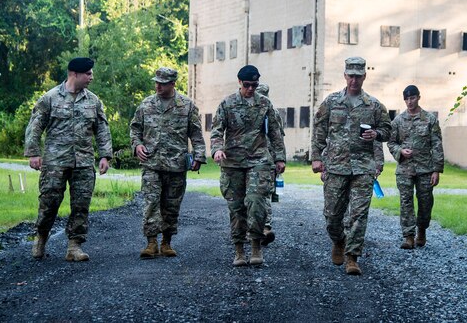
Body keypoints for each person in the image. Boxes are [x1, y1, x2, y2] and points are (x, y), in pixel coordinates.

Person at [24, 57, 113, 262]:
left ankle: (74, 247)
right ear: (74, 74)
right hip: (55, 162)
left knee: (81, 205)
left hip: (83, 162)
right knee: (49, 202)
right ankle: (40, 239)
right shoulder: (50, 98)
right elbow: (35, 126)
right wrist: (34, 153)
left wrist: (105, 156)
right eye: (88, 73)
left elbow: (102, 129)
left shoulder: (93, 101)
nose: (92, 77)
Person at [311, 56, 391, 275]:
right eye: (351, 76)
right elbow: (319, 131)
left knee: (358, 214)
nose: (354, 80)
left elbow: (388, 130)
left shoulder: (374, 105)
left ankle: (352, 257)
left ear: (364, 76)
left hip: (363, 167)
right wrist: (316, 158)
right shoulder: (331, 102)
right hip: (335, 166)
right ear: (345, 76)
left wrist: (377, 133)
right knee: (332, 215)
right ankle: (339, 240)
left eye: (358, 76)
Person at [211, 66, 286, 266]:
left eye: (255, 85)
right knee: (236, 208)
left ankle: (255, 247)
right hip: (232, 162)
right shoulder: (227, 104)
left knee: (256, 202)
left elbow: (276, 134)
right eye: (247, 85)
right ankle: (238, 251)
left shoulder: (265, 104)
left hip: (258, 159)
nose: (251, 89)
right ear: (239, 83)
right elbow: (217, 130)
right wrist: (217, 149)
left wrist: (280, 158)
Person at [130, 67, 206, 259]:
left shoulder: (186, 106)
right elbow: (135, 129)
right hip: (151, 163)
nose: (158, 86)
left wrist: (199, 156)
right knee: (151, 203)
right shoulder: (146, 105)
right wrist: (137, 145)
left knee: (171, 205)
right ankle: (151, 242)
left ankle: (166, 242)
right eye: (156, 82)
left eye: (162, 83)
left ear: (173, 84)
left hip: (176, 164)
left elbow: (196, 133)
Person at [387, 85, 444, 249]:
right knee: (406, 202)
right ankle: (408, 236)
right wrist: (400, 151)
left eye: (412, 98)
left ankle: (422, 230)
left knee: (426, 202)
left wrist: (437, 170)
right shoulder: (398, 120)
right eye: (406, 99)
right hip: (405, 169)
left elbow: (437, 144)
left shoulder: (430, 119)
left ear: (419, 97)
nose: (409, 102)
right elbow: (391, 142)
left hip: (425, 169)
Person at [255, 83, 285, 246]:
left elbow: (279, 137)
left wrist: (280, 159)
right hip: (249, 160)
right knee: (251, 195)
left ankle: (265, 229)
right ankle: (252, 229)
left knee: (265, 194)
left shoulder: (273, 113)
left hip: (268, 160)